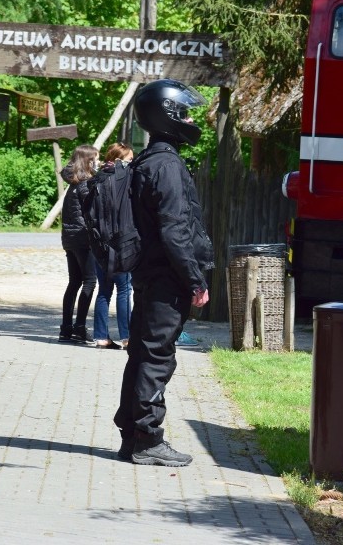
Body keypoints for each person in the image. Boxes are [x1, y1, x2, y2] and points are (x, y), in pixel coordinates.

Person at [114, 79, 214, 467]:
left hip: (150, 274)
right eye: (184, 112)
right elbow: (175, 230)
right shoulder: (166, 165)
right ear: (168, 115)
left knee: (141, 354)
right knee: (156, 358)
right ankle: (146, 439)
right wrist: (194, 279)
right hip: (166, 278)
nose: (190, 119)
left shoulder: (148, 160)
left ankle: (133, 435)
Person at [93, 142, 135, 350]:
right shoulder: (124, 179)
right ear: (118, 160)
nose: (131, 164)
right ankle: (127, 337)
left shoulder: (97, 178)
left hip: (99, 242)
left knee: (104, 291)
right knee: (124, 289)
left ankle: (101, 337)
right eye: (129, 160)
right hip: (120, 242)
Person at [58, 145, 100, 346]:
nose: (97, 163)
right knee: (90, 281)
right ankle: (80, 327)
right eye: (95, 159)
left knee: (74, 282)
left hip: (69, 238)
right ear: (88, 160)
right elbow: (93, 214)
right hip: (83, 239)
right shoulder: (85, 185)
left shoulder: (74, 183)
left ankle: (66, 328)